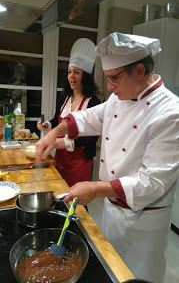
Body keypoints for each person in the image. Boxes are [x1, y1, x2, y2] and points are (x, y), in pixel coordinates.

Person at [35, 32, 179, 283]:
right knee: (112, 271)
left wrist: (95, 188)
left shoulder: (170, 113)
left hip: (143, 219)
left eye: (114, 78)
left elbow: (152, 182)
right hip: (113, 211)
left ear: (139, 71)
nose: (110, 87)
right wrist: (54, 132)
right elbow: (88, 118)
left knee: (138, 276)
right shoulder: (118, 98)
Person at [37, 38, 101, 187]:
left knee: (76, 202)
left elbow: (92, 138)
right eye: (69, 72)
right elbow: (56, 120)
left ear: (85, 76)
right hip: (61, 158)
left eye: (76, 72)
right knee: (60, 195)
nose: (71, 76)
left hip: (80, 161)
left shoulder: (93, 103)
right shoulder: (65, 98)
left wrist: (66, 142)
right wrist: (47, 124)